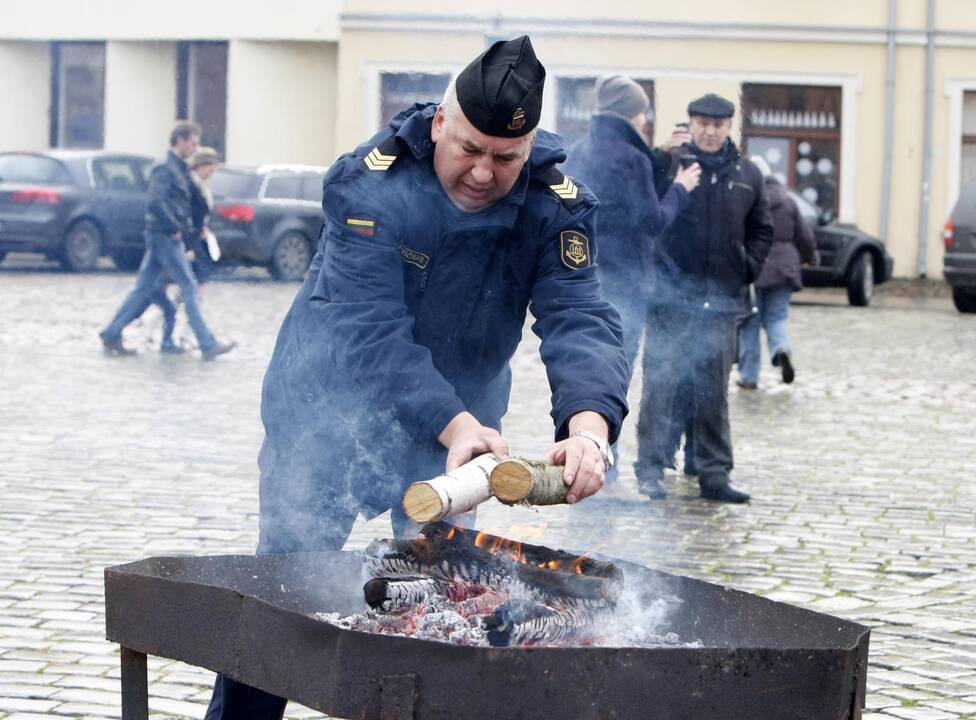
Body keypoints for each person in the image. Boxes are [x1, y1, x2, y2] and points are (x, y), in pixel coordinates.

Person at [204, 36, 629, 719]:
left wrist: (588, 427)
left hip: (455, 428)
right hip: (330, 410)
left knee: (418, 589)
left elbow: (579, 313)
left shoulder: (556, 204)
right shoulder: (370, 182)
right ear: (439, 122)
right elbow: (369, 330)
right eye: (469, 149)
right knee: (281, 593)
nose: (485, 174)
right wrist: (457, 422)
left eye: (505, 158)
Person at [634, 94, 773, 503]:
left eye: (718, 124)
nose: (710, 131)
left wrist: (747, 266)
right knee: (660, 387)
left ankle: (714, 474)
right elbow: (647, 211)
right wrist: (663, 157)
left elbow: (762, 228)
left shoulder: (747, 174)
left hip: (721, 304)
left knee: (713, 394)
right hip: (669, 302)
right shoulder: (671, 166)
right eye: (703, 123)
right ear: (691, 124)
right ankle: (651, 469)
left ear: (730, 127)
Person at [562, 75, 700, 487]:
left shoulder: (581, 150)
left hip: (586, 279)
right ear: (634, 113)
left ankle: (589, 454)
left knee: (588, 370)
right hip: (626, 284)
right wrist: (679, 187)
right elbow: (650, 219)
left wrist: (659, 155)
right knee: (617, 375)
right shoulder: (631, 158)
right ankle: (608, 463)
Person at [98, 121, 235, 361]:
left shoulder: (178, 168)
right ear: (180, 141)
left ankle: (112, 332)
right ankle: (207, 343)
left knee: (143, 288)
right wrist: (175, 228)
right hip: (164, 235)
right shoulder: (165, 168)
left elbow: (184, 201)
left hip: (164, 234)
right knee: (189, 285)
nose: (195, 148)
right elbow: (156, 202)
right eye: (192, 143)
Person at [736, 156, 818, 388]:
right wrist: (810, 257)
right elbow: (804, 236)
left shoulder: (746, 199)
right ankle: (781, 349)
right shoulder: (788, 200)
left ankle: (749, 376)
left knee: (750, 323)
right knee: (777, 317)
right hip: (784, 268)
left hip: (754, 267)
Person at [148, 146, 221, 354]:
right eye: (210, 168)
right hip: (189, 243)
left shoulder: (199, 185)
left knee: (186, 291)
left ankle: (177, 334)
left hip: (198, 242)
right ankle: (183, 335)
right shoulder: (190, 185)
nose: (211, 174)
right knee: (190, 290)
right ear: (201, 165)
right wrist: (188, 246)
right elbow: (187, 216)